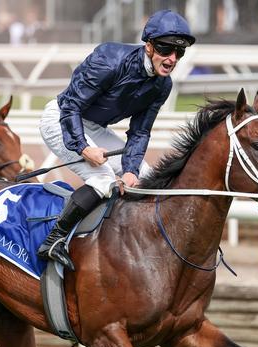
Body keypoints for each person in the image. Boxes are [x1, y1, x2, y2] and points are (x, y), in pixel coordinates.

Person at [37, 9, 196, 270]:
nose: (172, 59)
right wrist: (83, 146)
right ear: (148, 46)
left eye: (179, 53)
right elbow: (71, 107)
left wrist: (132, 170)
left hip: (94, 126)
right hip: (62, 119)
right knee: (103, 179)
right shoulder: (109, 59)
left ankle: (129, 244)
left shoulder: (162, 87)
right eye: (166, 49)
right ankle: (54, 240)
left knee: (146, 177)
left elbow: (139, 132)